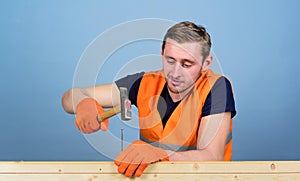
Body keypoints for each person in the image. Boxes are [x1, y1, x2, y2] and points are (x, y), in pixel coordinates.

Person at [62, 21, 236, 178]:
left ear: (206, 63)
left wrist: (161, 154)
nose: (175, 73)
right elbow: (71, 97)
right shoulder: (145, 83)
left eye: (186, 64)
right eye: (170, 60)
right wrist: (82, 103)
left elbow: (212, 157)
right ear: (162, 53)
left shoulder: (216, 88)